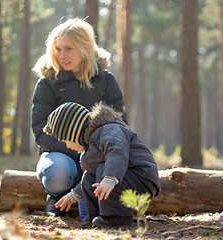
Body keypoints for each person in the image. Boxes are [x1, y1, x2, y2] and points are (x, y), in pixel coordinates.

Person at [31, 17, 126, 217]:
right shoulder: (48, 82)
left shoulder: (106, 80)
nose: (62, 55)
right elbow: (41, 130)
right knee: (58, 173)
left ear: (85, 47)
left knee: (108, 170)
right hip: (59, 154)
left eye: (69, 49)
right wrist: (78, 155)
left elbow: (119, 124)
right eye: (57, 49)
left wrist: (93, 155)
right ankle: (56, 198)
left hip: (98, 153)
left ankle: (105, 209)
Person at [43, 102, 161, 228]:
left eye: (66, 141)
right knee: (88, 176)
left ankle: (117, 218)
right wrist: (72, 196)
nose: (67, 146)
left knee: (102, 170)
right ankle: (96, 216)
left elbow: (117, 152)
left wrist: (110, 179)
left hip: (141, 178)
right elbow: (90, 180)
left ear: (74, 133)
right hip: (126, 178)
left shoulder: (109, 130)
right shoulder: (91, 145)